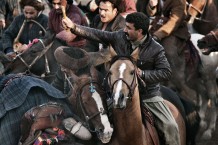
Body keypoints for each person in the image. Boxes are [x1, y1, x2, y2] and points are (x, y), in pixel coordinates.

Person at [62, 12, 180, 145]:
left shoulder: (156, 49)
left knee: (171, 126)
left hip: (148, 95)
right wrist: (74, 27)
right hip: (118, 91)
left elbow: (166, 72)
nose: (125, 30)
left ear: (140, 31)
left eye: (129, 28)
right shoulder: (119, 36)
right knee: (97, 119)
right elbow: (98, 34)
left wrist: (143, 74)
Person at [0, 73, 91, 145]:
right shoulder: (22, 77)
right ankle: (68, 118)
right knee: (61, 104)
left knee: (7, 138)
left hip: (13, 103)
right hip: (38, 86)